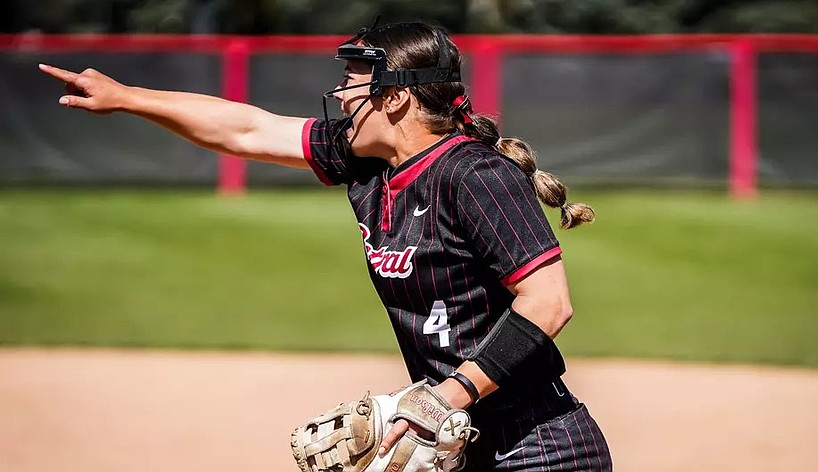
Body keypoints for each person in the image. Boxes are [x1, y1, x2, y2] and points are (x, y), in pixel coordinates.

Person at [40, 20, 612, 472]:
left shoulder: (476, 175)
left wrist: (449, 396)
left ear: (397, 98)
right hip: (457, 444)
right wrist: (127, 97)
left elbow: (548, 303)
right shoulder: (366, 161)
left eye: (355, 79)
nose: (340, 94)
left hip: (539, 450)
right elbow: (248, 130)